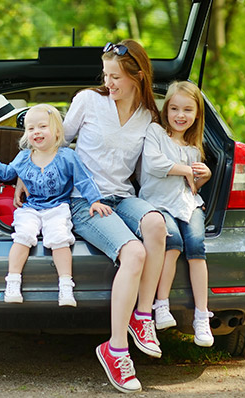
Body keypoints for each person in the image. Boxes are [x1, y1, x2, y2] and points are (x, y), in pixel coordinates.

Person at [60, 39, 168, 394]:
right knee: (134, 253)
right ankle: (116, 348)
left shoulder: (148, 116)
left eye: (117, 77)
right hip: (86, 201)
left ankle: (142, 315)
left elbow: (150, 168)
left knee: (155, 224)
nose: (110, 83)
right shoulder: (88, 101)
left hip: (123, 196)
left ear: (138, 77)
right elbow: (57, 144)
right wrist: (23, 175)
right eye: (106, 75)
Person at [0, 104, 113, 307]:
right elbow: (7, 174)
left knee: (60, 239)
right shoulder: (25, 157)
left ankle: (66, 285)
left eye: (42, 126)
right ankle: (13, 282)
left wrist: (95, 201)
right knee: (23, 236)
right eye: (31, 128)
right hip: (31, 207)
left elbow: (83, 180)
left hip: (58, 206)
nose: (37, 132)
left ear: (57, 131)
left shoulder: (67, 156)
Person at [140, 81, 215, 347]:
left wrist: (202, 178)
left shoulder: (194, 149)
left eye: (187, 110)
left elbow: (191, 188)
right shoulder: (155, 133)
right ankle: (161, 305)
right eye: (174, 108)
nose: (180, 115)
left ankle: (202, 317)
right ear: (166, 110)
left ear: (196, 115)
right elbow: (154, 164)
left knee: (196, 247)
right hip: (158, 203)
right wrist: (188, 170)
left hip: (187, 203)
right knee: (172, 244)